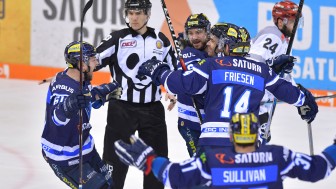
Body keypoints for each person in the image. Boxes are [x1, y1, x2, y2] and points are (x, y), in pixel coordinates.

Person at [136, 22, 318, 152]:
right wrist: (305, 100)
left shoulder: (212, 65)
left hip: (214, 142)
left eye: (214, 40)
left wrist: (159, 72)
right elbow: (287, 91)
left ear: (226, 46)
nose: (209, 42)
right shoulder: (261, 70)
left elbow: (185, 84)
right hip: (248, 145)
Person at [113, 112, 336, 188]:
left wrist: (149, 161)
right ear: (257, 133)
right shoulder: (278, 156)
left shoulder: (214, 160)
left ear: (231, 135)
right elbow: (320, 169)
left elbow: (175, 177)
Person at [94, 0, 177, 188]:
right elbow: (94, 60)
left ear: (147, 14)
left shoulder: (161, 40)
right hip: (121, 109)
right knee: (114, 164)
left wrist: (172, 91)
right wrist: (74, 70)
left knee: (156, 163)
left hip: (153, 111)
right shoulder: (117, 38)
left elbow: (173, 72)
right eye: (131, 13)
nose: (134, 17)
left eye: (138, 13)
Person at [41, 41, 122, 188]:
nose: (97, 63)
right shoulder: (63, 88)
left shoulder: (81, 80)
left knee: (111, 185)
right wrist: (68, 106)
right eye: (92, 59)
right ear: (82, 63)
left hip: (86, 149)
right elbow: (56, 119)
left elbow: (86, 96)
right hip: (65, 157)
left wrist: (102, 94)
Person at [248, 0, 302, 145]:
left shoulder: (283, 40)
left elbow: (283, 75)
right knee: (254, 147)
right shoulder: (273, 37)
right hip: (255, 103)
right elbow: (253, 64)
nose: (296, 26)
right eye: (292, 22)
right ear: (280, 22)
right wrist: (272, 66)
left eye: (297, 21)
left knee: (261, 143)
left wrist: (298, 94)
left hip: (262, 103)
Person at [176, 13, 210, 157]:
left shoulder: (211, 51)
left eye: (199, 32)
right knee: (200, 165)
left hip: (210, 123)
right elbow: (193, 81)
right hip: (190, 124)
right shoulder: (188, 54)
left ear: (208, 32)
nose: (194, 37)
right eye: (190, 33)